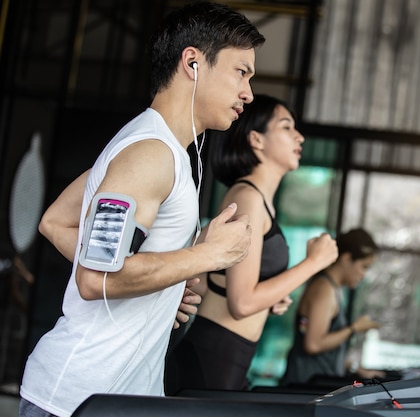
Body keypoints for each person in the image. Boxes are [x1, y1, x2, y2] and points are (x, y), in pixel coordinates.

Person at [19, 3, 264, 416]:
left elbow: (55, 221)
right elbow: (96, 278)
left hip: (117, 398)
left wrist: (162, 285)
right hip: (76, 400)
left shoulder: (155, 148)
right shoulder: (149, 153)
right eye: (241, 71)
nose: (249, 93)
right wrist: (206, 254)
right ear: (193, 63)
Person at [164, 94, 338, 394]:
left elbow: (208, 282)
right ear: (256, 140)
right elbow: (241, 303)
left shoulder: (258, 200)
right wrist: (314, 264)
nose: (299, 136)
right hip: (212, 361)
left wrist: (270, 296)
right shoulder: (248, 198)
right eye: (286, 127)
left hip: (225, 360)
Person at [280, 228, 384, 387]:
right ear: (347, 258)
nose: (363, 275)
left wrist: (354, 367)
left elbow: (327, 352)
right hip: (305, 388)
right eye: (364, 266)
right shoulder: (324, 289)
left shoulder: (333, 289)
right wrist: (353, 329)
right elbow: (313, 345)